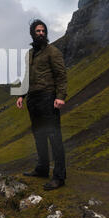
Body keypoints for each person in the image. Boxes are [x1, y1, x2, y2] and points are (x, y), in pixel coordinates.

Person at [16, 19, 67, 190]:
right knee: (39, 136)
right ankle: (42, 168)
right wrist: (21, 95)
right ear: (32, 33)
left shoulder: (53, 52)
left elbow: (61, 75)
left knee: (54, 136)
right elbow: (27, 76)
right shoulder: (29, 54)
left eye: (43, 31)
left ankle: (59, 177)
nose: (41, 33)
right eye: (38, 31)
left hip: (48, 97)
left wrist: (60, 96)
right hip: (33, 99)